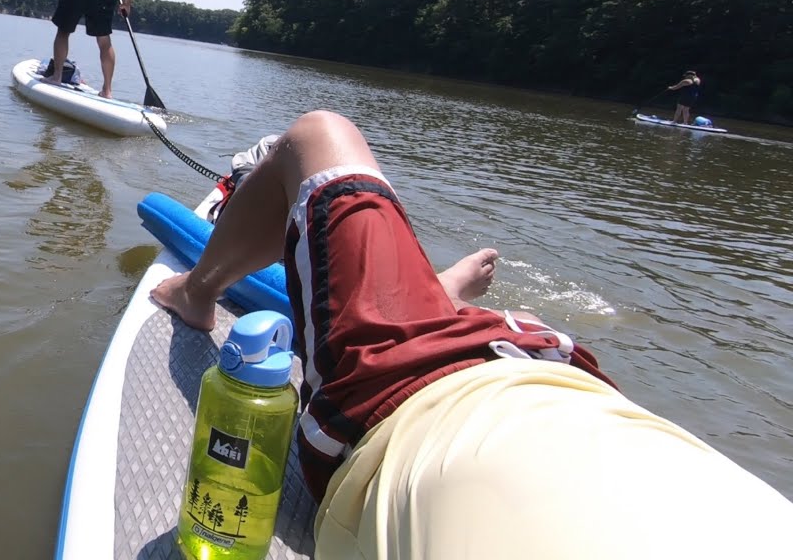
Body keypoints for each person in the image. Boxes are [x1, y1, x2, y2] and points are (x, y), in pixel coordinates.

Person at [152, 110, 793, 559]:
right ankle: (441, 301)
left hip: (409, 397)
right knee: (323, 140)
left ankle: (199, 290)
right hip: (544, 370)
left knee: (321, 138)